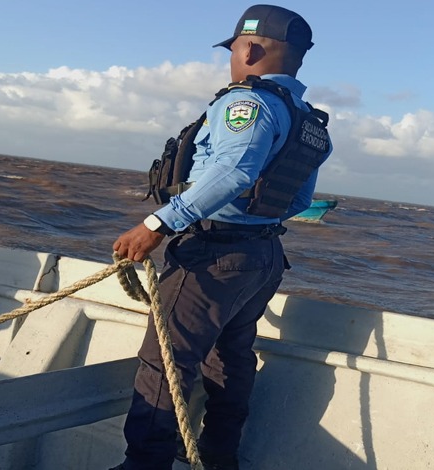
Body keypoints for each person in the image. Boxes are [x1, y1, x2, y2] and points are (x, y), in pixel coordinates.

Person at [110, 5, 332, 469]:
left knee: (165, 362)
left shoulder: (245, 104)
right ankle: (217, 457)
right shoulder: (306, 119)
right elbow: (297, 200)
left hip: (213, 257)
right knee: (229, 359)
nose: (232, 58)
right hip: (263, 257)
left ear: (249, 49)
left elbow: (233, 172)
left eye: (233, 49)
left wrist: (156, 224)